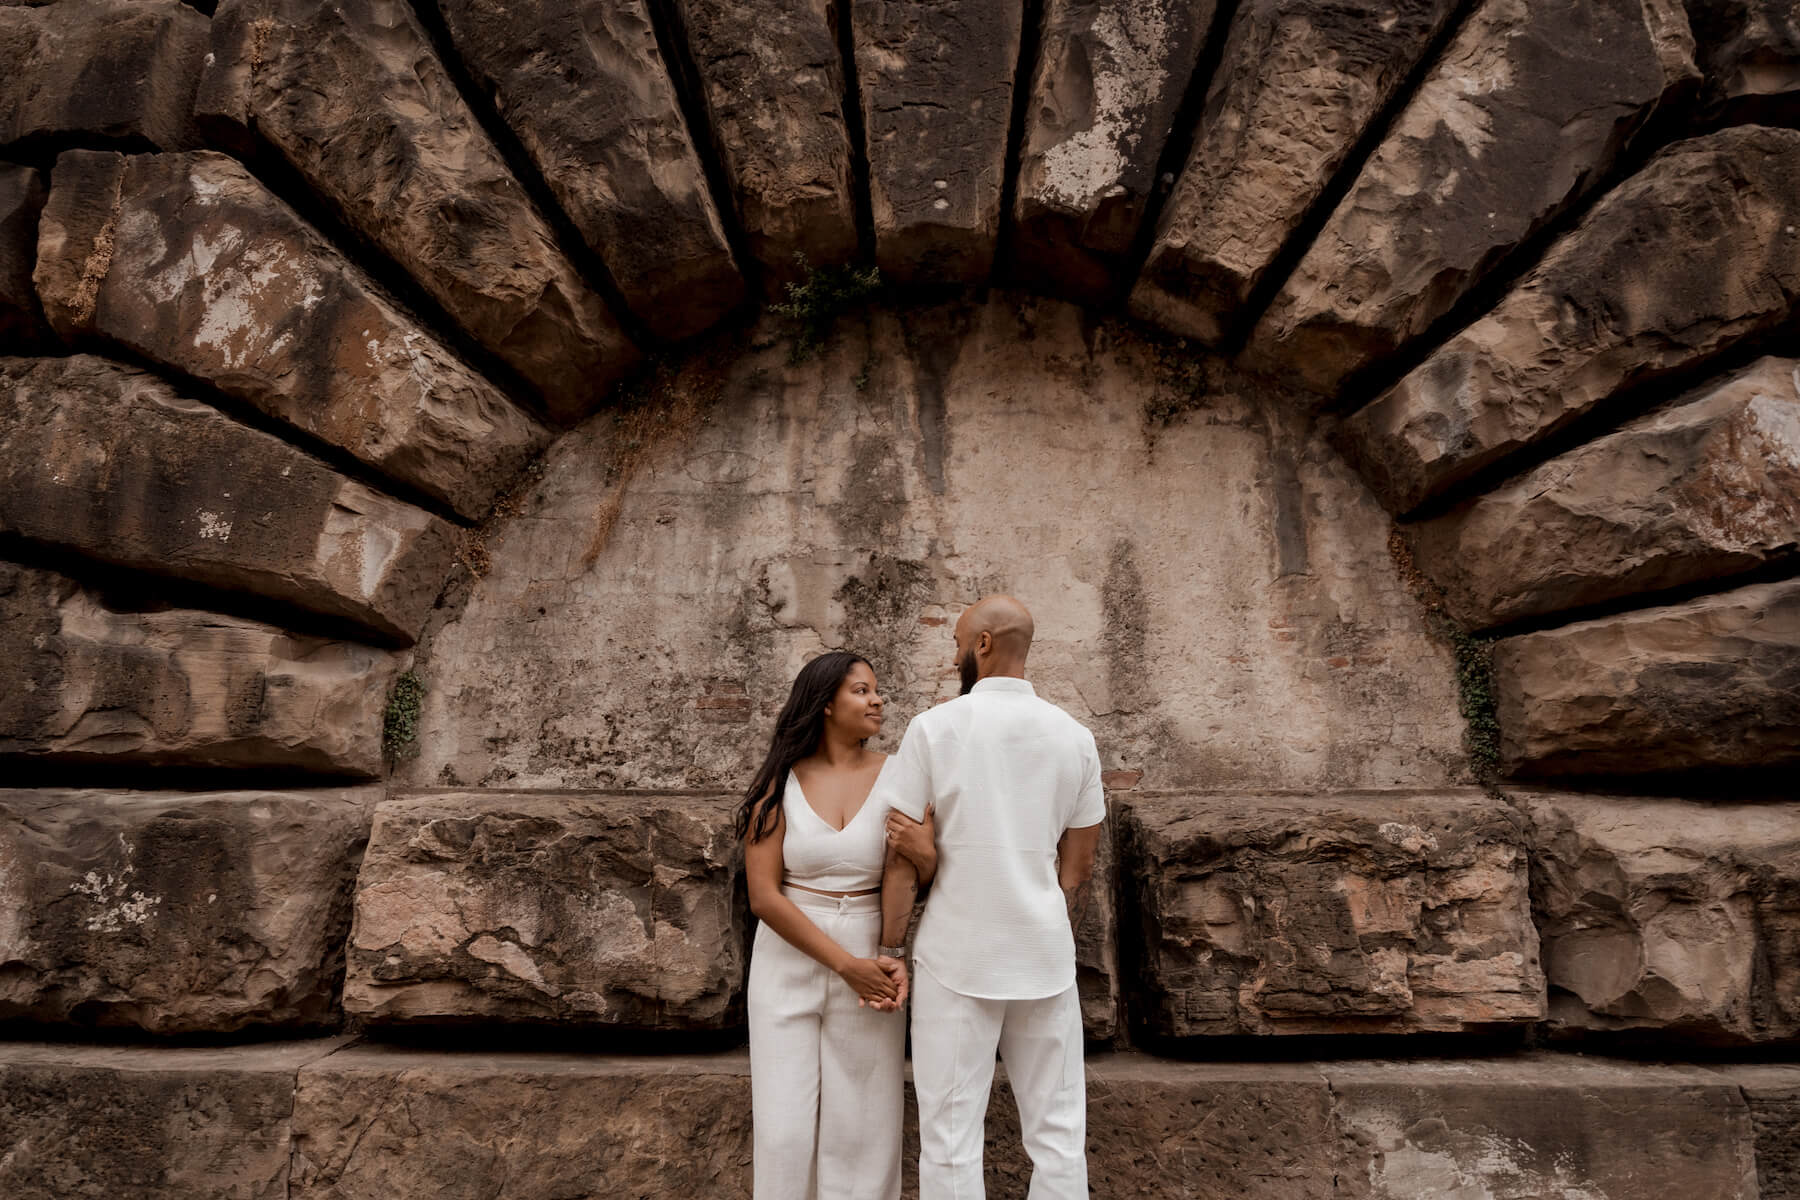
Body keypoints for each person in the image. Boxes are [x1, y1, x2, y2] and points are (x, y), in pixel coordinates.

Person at [880, 596, 1105, 1199]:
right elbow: (1077, 868)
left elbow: (902, 853)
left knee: (950, 1137)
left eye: (957, 641)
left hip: (957, 954)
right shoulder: (1075, 738)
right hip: (1043, 957)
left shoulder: (933, 729)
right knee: (1059, 1133)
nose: (954, 653)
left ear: (981, 646)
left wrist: (890, 946)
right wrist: (1037, 915)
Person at [739, 651, 938, 1200]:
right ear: (825, 704)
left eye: (877, 690)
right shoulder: (777, 785)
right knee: (783, 1128)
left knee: (864, 1122)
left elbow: (920, 867)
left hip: (874, 950)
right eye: (861, 690)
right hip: (789, 954)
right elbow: (763, 897)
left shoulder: (903, 774)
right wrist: (845, 965)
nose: (877, 700)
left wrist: (924, 855)